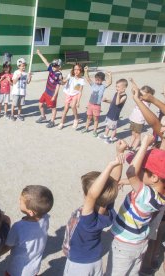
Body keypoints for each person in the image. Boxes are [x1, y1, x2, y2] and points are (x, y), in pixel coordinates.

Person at [105, 134, 165, 276]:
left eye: (143, 169)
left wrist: (144, 144)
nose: (139, 172)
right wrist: (125, 181)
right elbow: (138, 180)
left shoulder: (145, 195)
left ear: (155, 177)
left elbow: (132, 172)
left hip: (124, 245)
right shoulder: (157, 196)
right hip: (139, 243)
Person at [62, 142, 125, 276]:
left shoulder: (88, 220)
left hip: (79, 264)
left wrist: (109, 166)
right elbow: (114, 181)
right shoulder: (106, 208)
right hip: (95, 260)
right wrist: (119, 154)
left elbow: (92, 194)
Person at [2, 185, 54, 276]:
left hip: (16, 270)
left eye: (21, 201)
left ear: (30, 212)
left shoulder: (19, 227)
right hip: (33, 269)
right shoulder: (45, 218)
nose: (19, 201)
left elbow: (7, 246)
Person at [35, 49, 63, 128]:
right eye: (53, 65)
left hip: (52, 94)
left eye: (55, 66)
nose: (53, 67)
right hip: (46, 92)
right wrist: (39, 54)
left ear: (59, 67)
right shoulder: (51, 69)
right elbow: (46, 61)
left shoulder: (59, 75)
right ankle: (43, 116)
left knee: (53, 108)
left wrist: (54, 96)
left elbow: (58, 86)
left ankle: (52, 121)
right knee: (40, 104)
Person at [82, 66, 112, 137]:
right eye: (96, 80)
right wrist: (86, 71)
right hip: (90, 104)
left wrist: (110, 75)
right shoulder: (93, 85)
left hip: (97, 106)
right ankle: (86, 128)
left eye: (99, 80)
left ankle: (95, 130)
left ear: (102, 80)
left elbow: (109, 83)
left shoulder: (103, 87)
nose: (97, 81)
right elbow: (87, 78)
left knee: (96, 119)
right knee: (89, 117)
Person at [128, 78, 155, 150]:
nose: (141, 94)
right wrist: (132, 82)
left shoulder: (148, 101)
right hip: (133, 119)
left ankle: (134, 148)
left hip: (139, 121)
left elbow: (138, 90)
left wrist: (139, 90)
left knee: (137, 135)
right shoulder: (140, 98)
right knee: (133, 134)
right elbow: (135, 90)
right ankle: (130, 145)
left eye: (143, 93)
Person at [99, 79, 128, 144]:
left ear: (124, 88)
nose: (116, 88)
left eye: (118, 87)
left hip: (115, 115)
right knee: (107, 125)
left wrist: (118, 94)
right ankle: (105, 135)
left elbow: (117, 103)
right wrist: (106, 100)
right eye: (116, 86)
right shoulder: (116, 93)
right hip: (110, 112)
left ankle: (111, 139)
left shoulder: (124, 96)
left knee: (113, 128)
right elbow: (113, 102)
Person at [58, 64, 85, 130]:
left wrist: (78, 102)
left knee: (73, 106)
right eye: (75, 69)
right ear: (73, 70)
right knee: (66, 108)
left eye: (78, 69)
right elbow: (63, 82)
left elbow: (80, 91)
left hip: (75, 94)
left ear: (81, 70)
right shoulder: (70, 76)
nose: (76, 71)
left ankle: (76, 119)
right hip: (68, 94)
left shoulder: (81, 80)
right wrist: (61, 81)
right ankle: (61, 123)